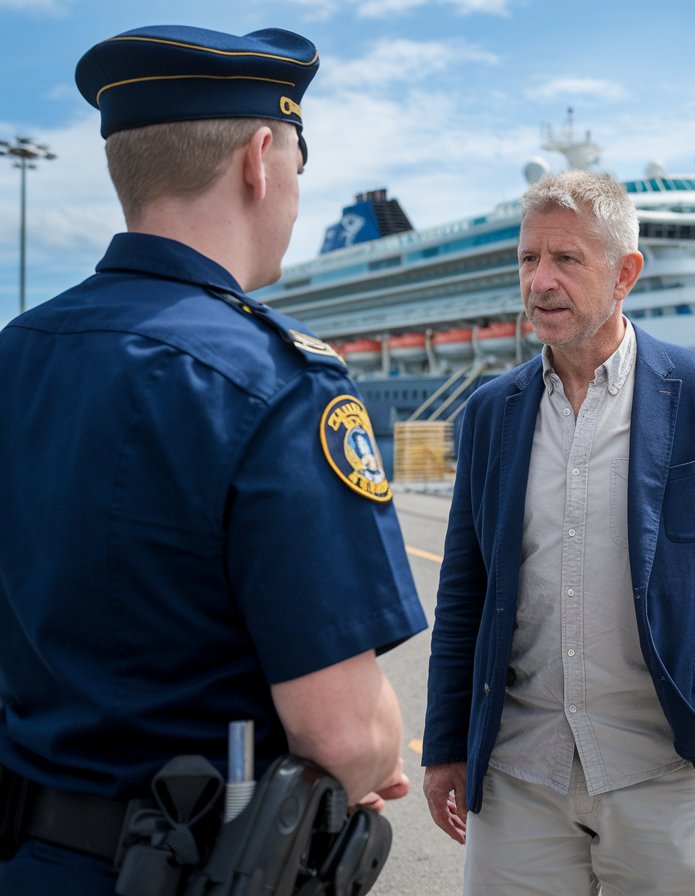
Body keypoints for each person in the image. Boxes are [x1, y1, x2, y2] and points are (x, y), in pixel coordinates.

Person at [0, 24, 426, 894]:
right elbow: (342, 737)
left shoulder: (17, 353)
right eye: (300, 170)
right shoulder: (275, 382)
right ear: (260, 159)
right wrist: (372, 747)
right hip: (190, 867)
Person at [421, 169, 695, 894]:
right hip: (519, 771)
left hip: (662, 771)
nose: (540, 282)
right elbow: (464, 591)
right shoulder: (491, 413)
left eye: (566, 260)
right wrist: (445, 744)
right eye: (529, 260)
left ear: (625, 274)